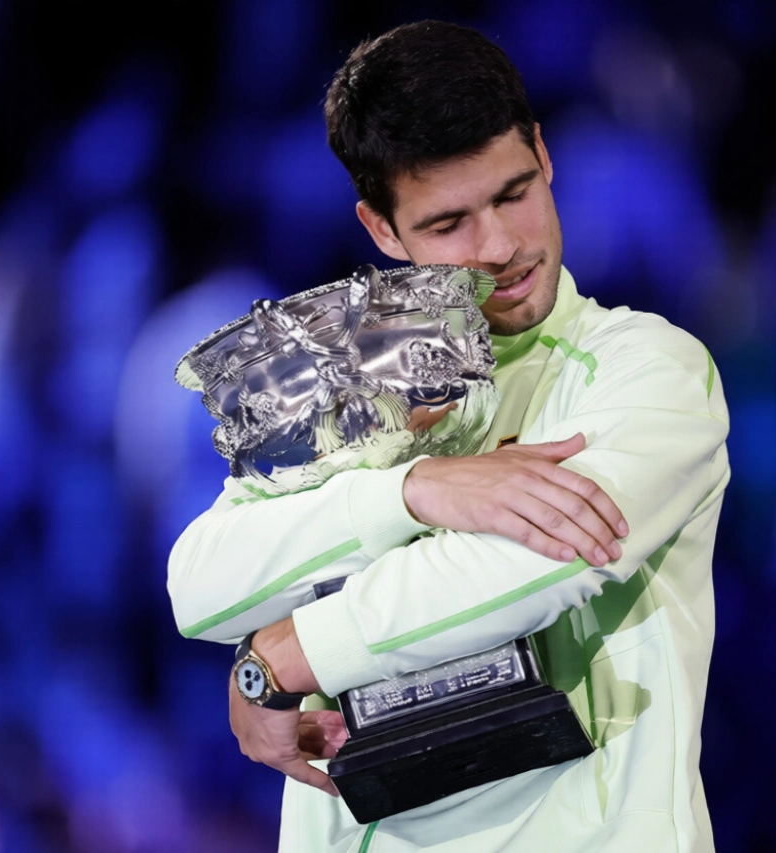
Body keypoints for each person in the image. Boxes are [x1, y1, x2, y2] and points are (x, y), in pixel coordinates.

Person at [167, 19, 730, 852]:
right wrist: (405, 492)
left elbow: (542, 561)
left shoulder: (649, 369)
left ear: (544, 155)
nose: (500, 247)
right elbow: (203, 586)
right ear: (381, 230)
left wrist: (289, 654)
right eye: (448, 224)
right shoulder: (337, 381)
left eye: (513, 193)